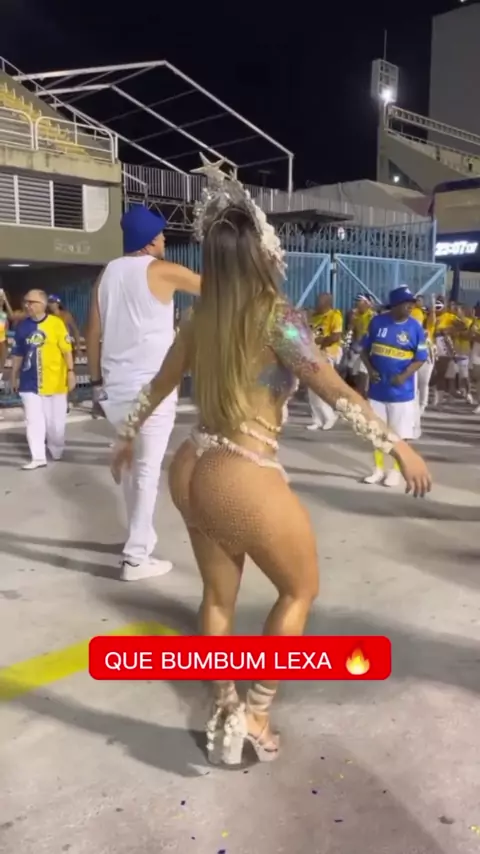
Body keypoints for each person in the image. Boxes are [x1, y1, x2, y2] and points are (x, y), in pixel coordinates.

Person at [110, 159, 431, 766]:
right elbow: (337, 391)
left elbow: (158, 385)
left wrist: (126, 436)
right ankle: (255, 713)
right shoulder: (278, 319)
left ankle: (223, 706)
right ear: (262, 252)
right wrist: (399, 445)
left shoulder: (202, 317)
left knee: (217, 597)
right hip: (241, 472)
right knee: (299, 589)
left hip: (192, 465)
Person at [86, 204, 200, 582]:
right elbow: (215, 289)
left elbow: (92, 331)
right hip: (152, 389)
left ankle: (141, 538)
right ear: (150, 241)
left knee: (133, 466)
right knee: (146, 470)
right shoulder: (162, 270)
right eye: (161, 234)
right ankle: (136, 558)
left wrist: (96, 384)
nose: (165, 239)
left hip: (115, 390)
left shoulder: (108, 273)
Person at [361, 285, 429, 487]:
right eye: (406, 303)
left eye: (412, 303)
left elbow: (420, 358)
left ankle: (395, 471)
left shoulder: (415, 328)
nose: (410, 307)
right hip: (377, 391)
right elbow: (364, 350)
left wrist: (404, 375)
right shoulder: (377, 322)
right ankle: (378, 469)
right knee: (377, 433)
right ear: (395, 305)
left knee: (399, 435)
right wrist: (370, 370)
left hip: (402, 394)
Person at [10, 289, 76, 470]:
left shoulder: (56, 324)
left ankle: (56, 448)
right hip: (29, 382)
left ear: (43, 304)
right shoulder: (22, 327)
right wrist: (13, 375)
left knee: (56, 425)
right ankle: (38, 457)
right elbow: (17, 354)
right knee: (33, 420)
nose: (27, 305)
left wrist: (71, 372)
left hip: (55, 382)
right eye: (26, 302)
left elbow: (67, 350)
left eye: (32, 302)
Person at [306, 293, 343, 431]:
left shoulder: (334, 316)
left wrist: (321, 343)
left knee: (322, 386)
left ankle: (329, 416)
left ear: (328, 303)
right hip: (311, 355)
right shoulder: (313, 317)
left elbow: (336, 336)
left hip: (326, 354)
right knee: (312, 389)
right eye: (317, 301)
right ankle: (317, 419)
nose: (317, 304)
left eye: (320, 302)